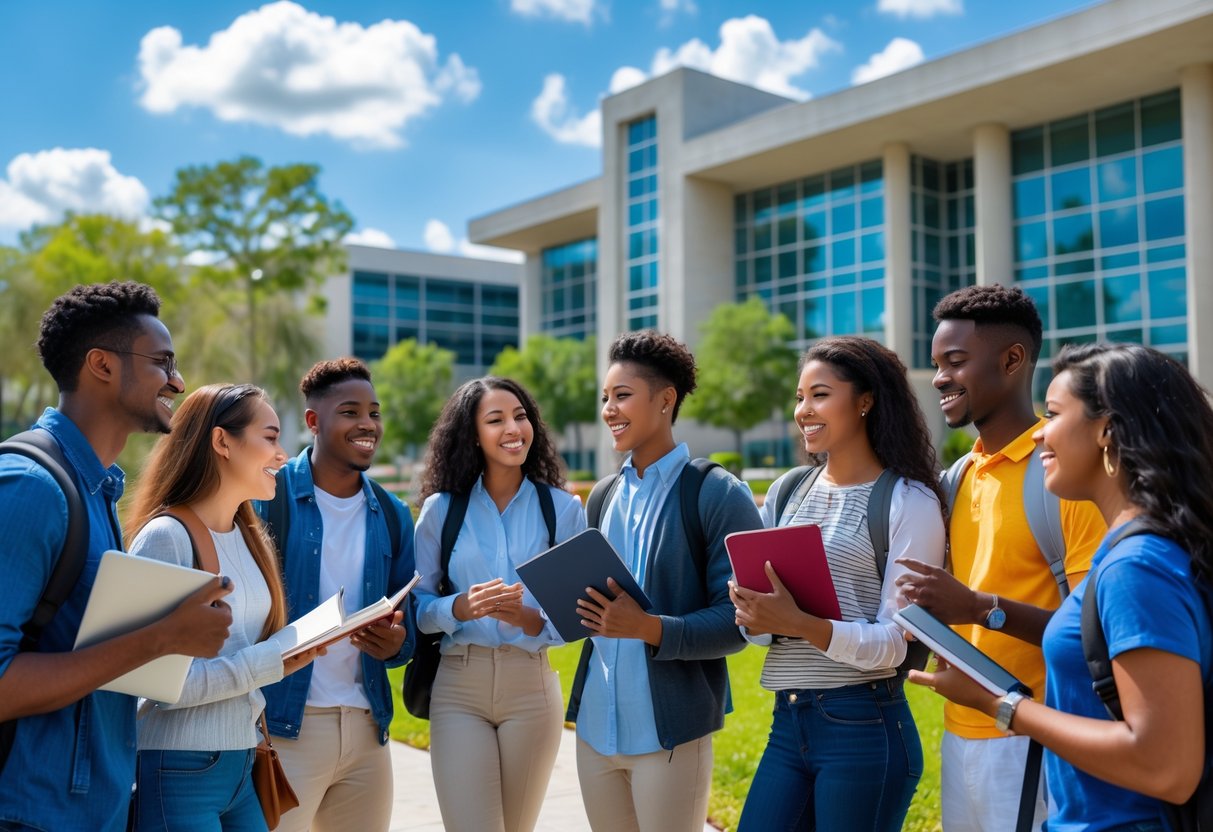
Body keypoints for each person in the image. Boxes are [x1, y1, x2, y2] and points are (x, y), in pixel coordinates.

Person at [912, 341, 1213, 832]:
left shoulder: (1138, 569)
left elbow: (1167, 768)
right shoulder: (1142, 552)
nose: (1040, 435)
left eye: (1053, 414)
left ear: (1108, 433)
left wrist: (1002, 706)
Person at [0, 282, 233, 831]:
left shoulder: (96, 490)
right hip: (31, 816)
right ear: (101, 365)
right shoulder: (31, 488)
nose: (177, 382)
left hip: (92, 811)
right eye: (162, 363)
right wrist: (162, 638)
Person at [896, 284, 1106, 832]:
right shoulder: (957, 478)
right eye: (937, 363)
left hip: (1033, 736)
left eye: (956, 362)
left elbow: (1093, 631)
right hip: (958, 729)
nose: (940, 377)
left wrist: (979, 606)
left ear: (1012, 360)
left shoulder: (1065, 475)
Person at [728, 335, 946, 831]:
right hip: (788, 721)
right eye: (800, 398)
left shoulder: (909, 499)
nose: (804, 410)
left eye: (820, 394)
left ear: (866, 401)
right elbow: (764, 634)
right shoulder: (787, 491)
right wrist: (753, 615)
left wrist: (802, 624)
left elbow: (896, 644)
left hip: (864, 726)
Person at [569, 330, 764, 832]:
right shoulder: (604, 495)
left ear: (666, 400)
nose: (609, 409)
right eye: (605, 398)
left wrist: (648, 627)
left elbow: (741, 621)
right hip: (595, 727)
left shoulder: (717, 493)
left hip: (669, 735)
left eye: (622, 396)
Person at [126, 383, 323, 831]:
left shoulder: (251, 539)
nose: (282, 454)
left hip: (241, 761)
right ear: (221, 442)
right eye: (270, 437)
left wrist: (290, 652)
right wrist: (271, 661)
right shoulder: (165, 538)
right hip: (178, 767)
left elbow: (245, 653)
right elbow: (155, 685)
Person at [414, 376, 585, 832]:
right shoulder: (441, 511)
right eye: (496, 420)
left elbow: (576, 616)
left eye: (520, 416)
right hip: (458, 688)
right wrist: (459, 609)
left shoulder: (563, 511)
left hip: (531, 688)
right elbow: (419, 609)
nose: (513, 428)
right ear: (472, 435)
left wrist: (529, 618)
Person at [258, 358, 415, 832]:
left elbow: (405, 631)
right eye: (350, 412)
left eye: (374, 412)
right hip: (288, 728)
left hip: (368, 732)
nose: (368, 424)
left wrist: (395, 646)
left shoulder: (393, 514)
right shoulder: (268, 497)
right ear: (313, 421)